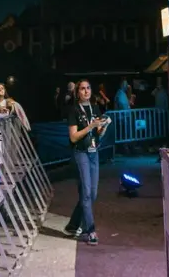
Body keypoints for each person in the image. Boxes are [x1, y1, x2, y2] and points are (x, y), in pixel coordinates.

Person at [64, 80, 107, 246]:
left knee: (92, 194)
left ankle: (73, 224)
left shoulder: (95, 108)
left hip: (93, 152)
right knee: (87, 193)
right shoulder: (73, 110)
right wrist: (91, 126)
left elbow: (97, 134)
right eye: (82, 89)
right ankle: (90, 230)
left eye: (88, 88)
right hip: (80, 153)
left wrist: (102, 128)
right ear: (78, 93)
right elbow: (73, 137)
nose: (86, 91)